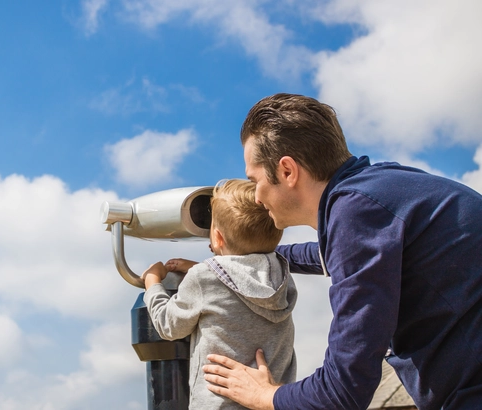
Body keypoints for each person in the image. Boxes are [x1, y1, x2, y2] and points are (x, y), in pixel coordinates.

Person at [203, 93, 482, 410]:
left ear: (287, 171)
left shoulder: (355, 212)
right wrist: (245, 260)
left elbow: (342, 392)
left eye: (255, 181)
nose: (256, 198)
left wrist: (264, 395)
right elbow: (325, 255)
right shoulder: (377, 190)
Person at [141, 179, 298, 409]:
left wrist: (152, 283)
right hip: (268, 400)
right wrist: (210, 270)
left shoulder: (203, 278)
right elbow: (244, 277)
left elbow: (170, 326)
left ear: (217, 237)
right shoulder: (282, 275)